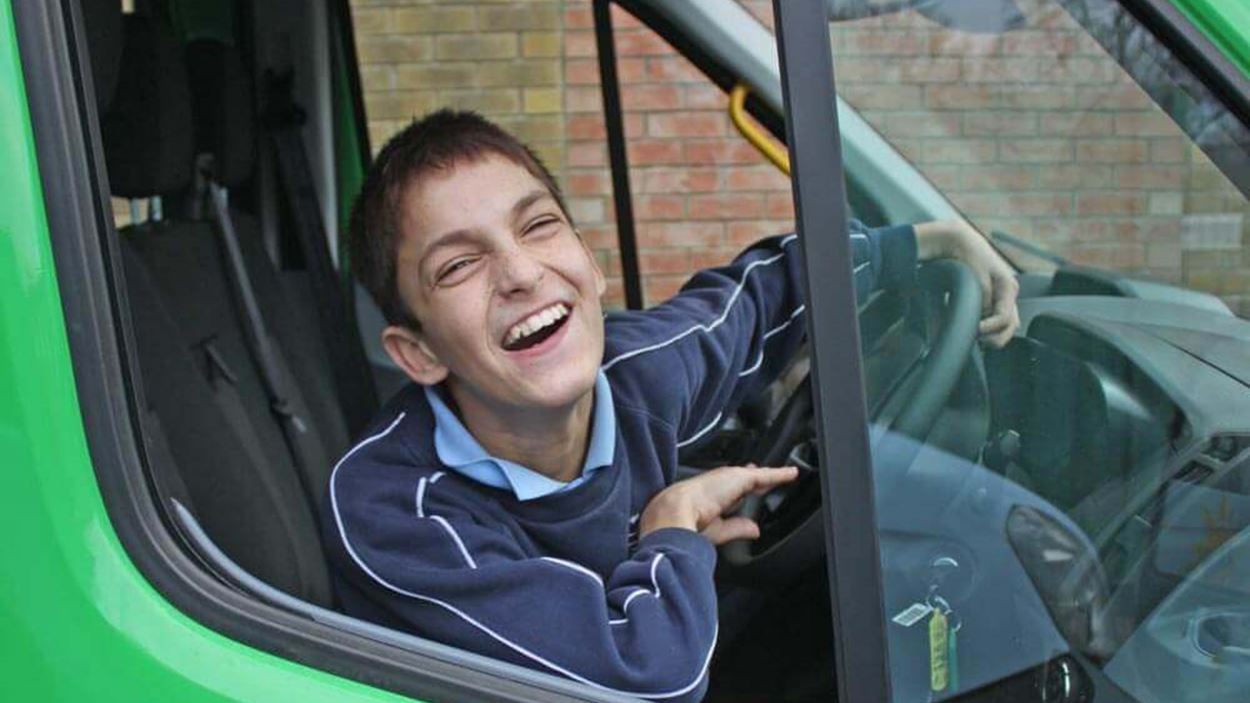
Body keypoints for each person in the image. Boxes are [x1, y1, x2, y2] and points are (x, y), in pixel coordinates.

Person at [323, 109, 1019, 702]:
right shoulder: (392, 509)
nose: (522, 273)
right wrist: (673, 528)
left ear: (590, 264)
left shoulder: (634, 373)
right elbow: (642, 683)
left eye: (538, 226)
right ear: (418, 354)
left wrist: (933, 242)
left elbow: (758, 300)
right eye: (457, 266)